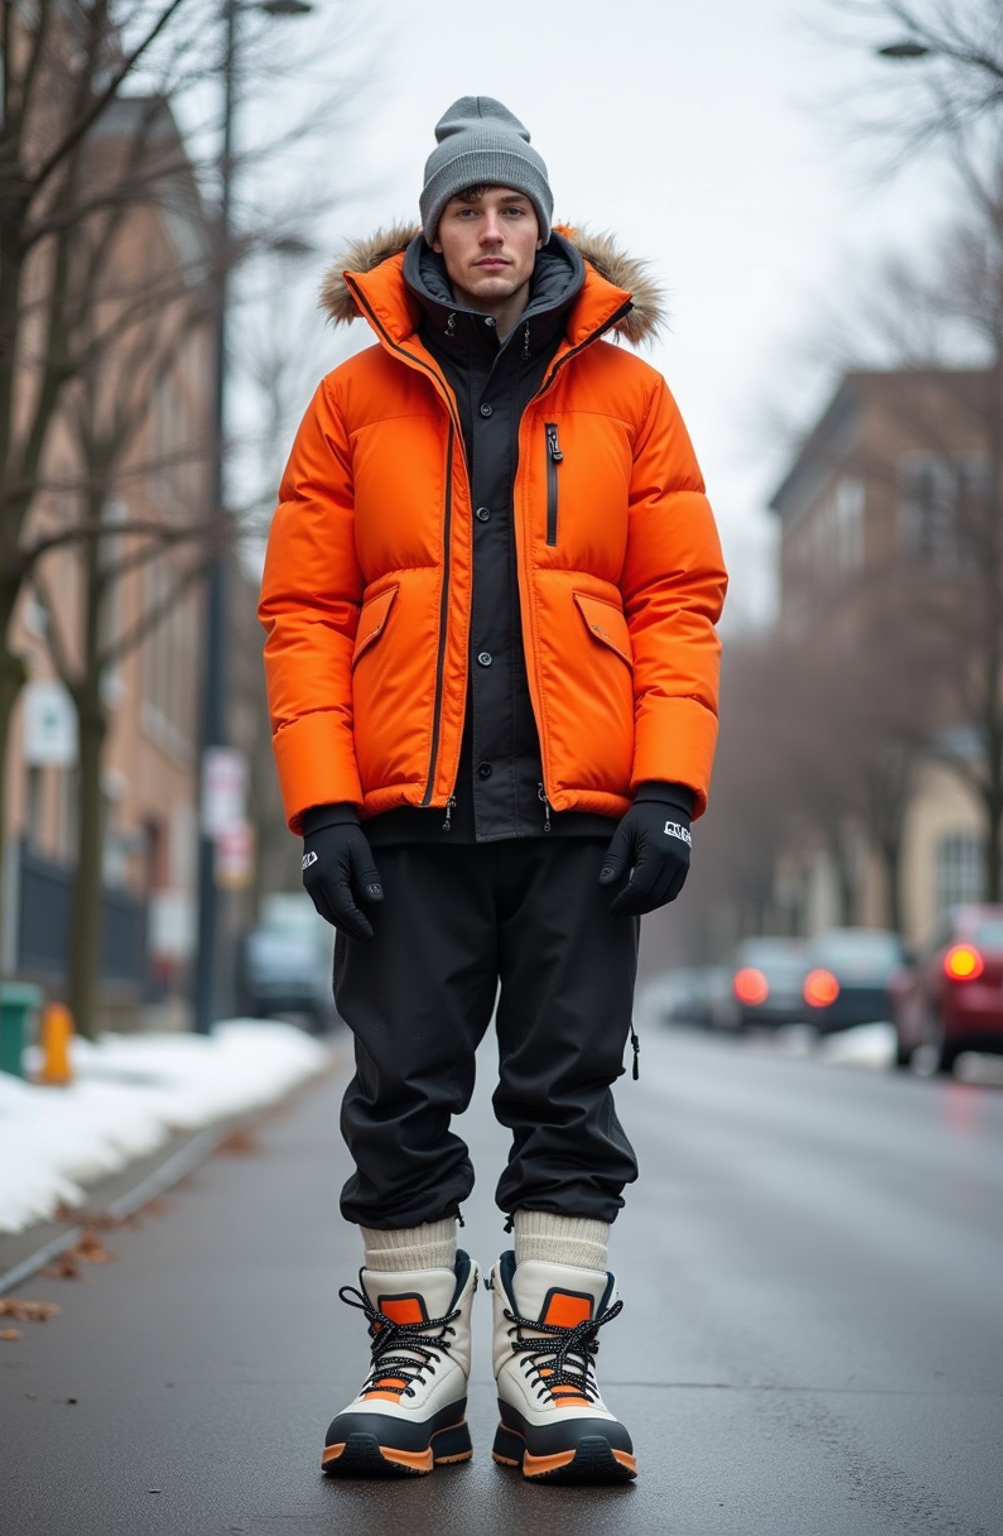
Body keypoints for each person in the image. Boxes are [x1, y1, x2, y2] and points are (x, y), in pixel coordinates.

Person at [259, 95, 727, 1484]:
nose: (489, 232)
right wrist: (324, 808)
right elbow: (304, 611)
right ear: (431, 226)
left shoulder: (629, 397)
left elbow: (679, 602)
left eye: (510, 207)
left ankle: (552, 1372)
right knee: (400, 1091)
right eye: (465, 208)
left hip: (582, 819)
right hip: (407, 815)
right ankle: (419, 1366)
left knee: (567, 1093)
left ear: (545, 224)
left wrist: (667, 792)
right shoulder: (354, 397)